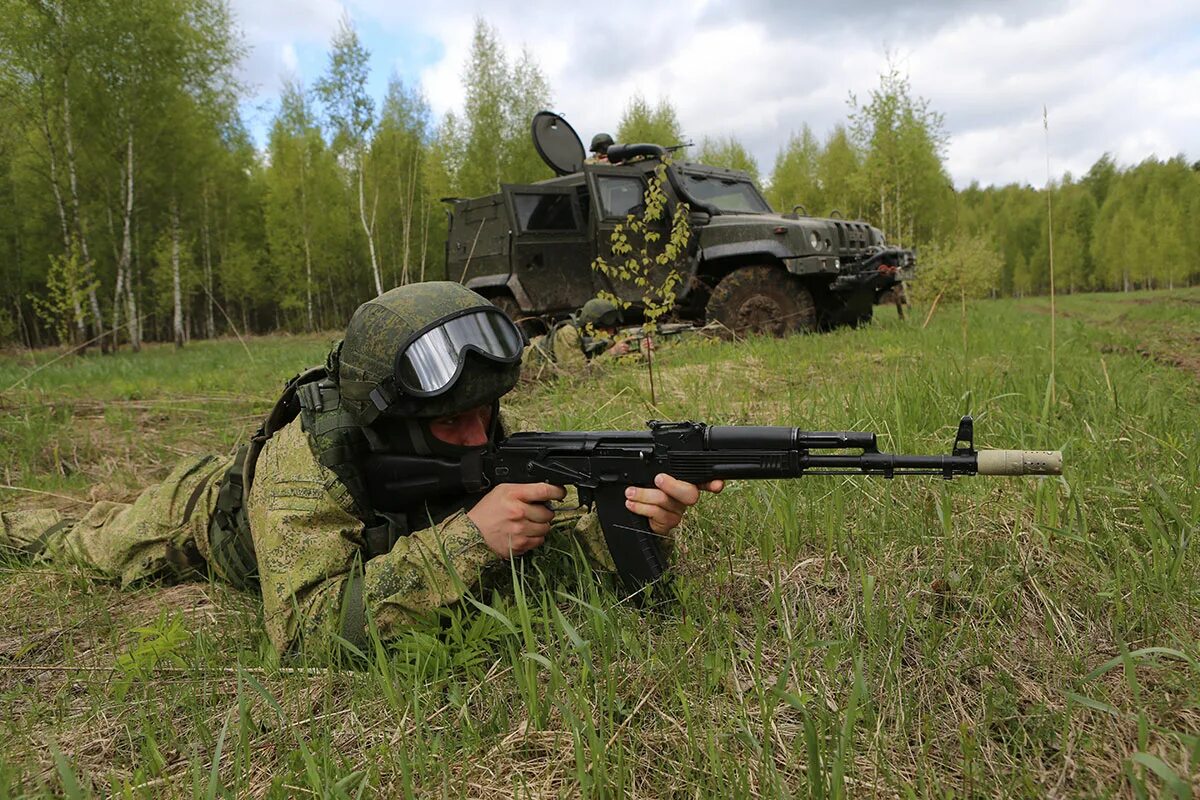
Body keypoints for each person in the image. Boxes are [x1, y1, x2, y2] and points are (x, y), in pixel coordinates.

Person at [0, 283, 721, 656]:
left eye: (486, 416)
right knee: (83, 540)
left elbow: (555, 548)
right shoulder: (304, 464)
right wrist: (467, 539)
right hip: (202, 516)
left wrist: (634, 519)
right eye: (448, 426)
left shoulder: (475, 425)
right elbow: (305, 633)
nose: (476, 440)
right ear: (389, 419)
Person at [521, 297, 646, 380]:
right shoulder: (568, 334)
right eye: (607, 328)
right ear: (592, 326)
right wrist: (611, 354)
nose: (612, 332)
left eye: (613, 327)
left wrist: (642, 350)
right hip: (525, 362)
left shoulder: (596, 335)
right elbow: (577, 375)